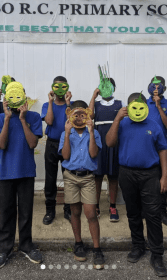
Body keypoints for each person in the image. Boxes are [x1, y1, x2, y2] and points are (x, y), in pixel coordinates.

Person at [106, 92, 167, 277]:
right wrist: (117, 119)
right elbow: (109, 142)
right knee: (133, 213)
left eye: (140, 105)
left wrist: (165, 175)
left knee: (153, 214)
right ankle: (138, 246)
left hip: (150, 174)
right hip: (127, 173)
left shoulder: (153, 124)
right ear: (127, 107)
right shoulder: (123, 123)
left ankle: (157, 255)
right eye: (132, 105)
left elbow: (163, 149)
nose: (137, 108)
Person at [0, 82, 43, 269]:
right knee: (5, 212)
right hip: (6, 173)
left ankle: (26, 245)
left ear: (24, 97)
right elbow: (1, 145)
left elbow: (32, 144)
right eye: (10, 97)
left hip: (26, 171)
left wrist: (22, 119)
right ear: (6, 99)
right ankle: (4, 248)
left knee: (26, 211)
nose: (14, 101)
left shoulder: (34, 117)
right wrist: (6, 119)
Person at [59, 101, 105, 270]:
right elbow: (65, 156)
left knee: (91, 213)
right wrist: (66, 134)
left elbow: (93, 153)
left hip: (87, 178)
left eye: (82, 115)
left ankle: (97, 248)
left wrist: (91, 132)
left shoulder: (94, 133)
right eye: (75, 115)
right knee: (75, 212)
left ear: (88, 114)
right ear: (70, 115)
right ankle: (78, 243)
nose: (79, 118)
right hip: (71, 177)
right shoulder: (67, 133)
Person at [88, 78, 124, 222]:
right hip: (98, 143)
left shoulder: (119, 104)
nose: (106, 89)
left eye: (109, 86)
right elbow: (89, 116)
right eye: (102, 86)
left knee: (113, 177)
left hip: (114, 143)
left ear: (114, 88)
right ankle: (96, 206)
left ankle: (113, 206)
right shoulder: (96, 104)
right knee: (97, 177)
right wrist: (93, 95)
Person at [41, 76, 72, 225]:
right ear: (52, 88)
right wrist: (51, 101)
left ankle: (68, 209)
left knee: (69, 177)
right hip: (52, 144)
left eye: (63, 87)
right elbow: (49, 121)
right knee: (50, 178)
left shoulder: (70, 105)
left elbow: (72, 121)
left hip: (67, 143)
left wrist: (68, 103)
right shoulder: (47, 105)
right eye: (56, 87)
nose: (60, 90)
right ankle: (50, 210)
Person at [147, 76, 167, 226]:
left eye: (159, 86)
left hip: (161, 147)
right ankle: (146, 211)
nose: (156, 89)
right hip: (145, 146)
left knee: (162, 180)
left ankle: (162, 212)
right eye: (154, 86)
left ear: (164, 88)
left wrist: (158, 106)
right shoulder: (143, 104)